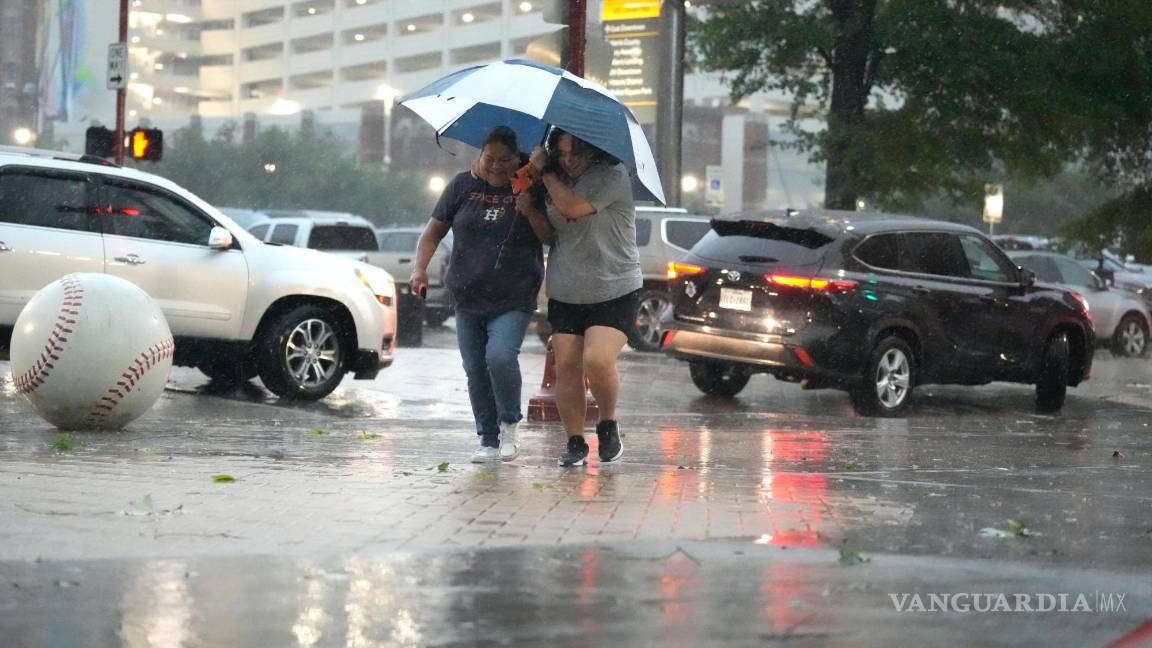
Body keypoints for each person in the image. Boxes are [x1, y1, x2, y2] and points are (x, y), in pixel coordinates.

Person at [409, 126, 544, 463]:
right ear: (479, 155)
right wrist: (419, 269)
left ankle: (509, 423)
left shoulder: (531, 186)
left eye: (504, 160)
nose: (496, 166)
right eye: (489, 158)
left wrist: (528, 207)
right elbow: (432, 232)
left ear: (518, 159)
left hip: (514, 294)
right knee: (475, 368)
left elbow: (550, 237)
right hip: (467, 293)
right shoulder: (461, 186)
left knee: (499, 357)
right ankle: (487, 438)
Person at [515, 129, 638, 467]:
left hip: (614, 285)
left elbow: (571, 206)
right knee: (566, 364)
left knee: (597, 359)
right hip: (567, 287)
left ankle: (608, 423)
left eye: (578, 154)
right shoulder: (547, 180)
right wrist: (530, 209)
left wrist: (548, 172)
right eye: (563, 153)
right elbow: (550, 237)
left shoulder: (612, 177)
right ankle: (574, 441)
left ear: (593, 153)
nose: (569, 161)